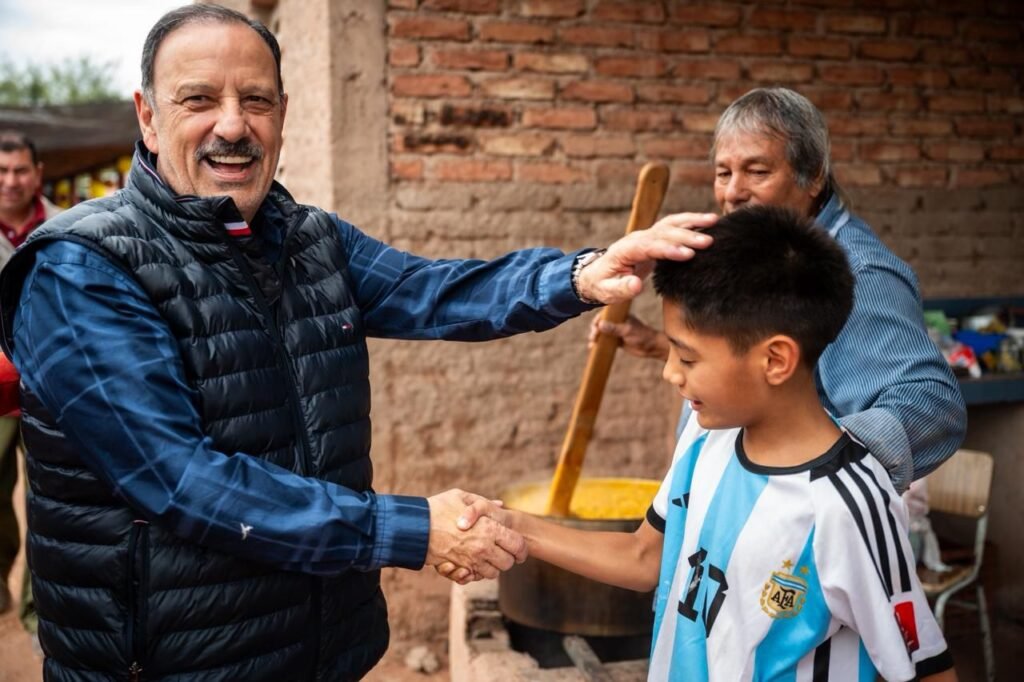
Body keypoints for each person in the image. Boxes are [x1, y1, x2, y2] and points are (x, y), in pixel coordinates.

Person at [0, 5, 716, 680]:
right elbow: (183, 480)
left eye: (256, 100)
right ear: (148, 118)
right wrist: (412, 529)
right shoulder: (83, 269)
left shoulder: (310, 240)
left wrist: (583, 274)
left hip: (323, 649)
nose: (233, 126)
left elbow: (438, 293)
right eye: (198, 100)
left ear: (283, 114)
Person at [456, 206, 956, 681]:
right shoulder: (706, 438)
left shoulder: (847, 506)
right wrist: (514, 527)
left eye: (687, 358)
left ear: (776, 360)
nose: (670, 373)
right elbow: (643, 558)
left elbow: (926, 667)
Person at [589, 87, 965, 491]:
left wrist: (796, 473)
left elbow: (932, 406)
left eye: (757, 172)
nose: (733, 192)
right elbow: (785, 367)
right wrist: (666, 347)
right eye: (723, 173)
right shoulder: (770, 254)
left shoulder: (860, 273)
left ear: (814, 176)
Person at [0, 131, 59, 621]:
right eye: (1, 172)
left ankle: (38, 610)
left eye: (20, 170)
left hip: (51, 389)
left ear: (38, 174)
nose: (10, 181)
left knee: (50, 498)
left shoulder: (70, 226)